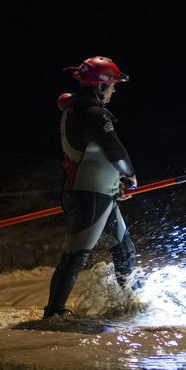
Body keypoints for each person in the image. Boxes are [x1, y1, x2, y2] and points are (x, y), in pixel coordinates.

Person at [42, 56, 139, 319]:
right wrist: (129, 175)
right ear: (99, 86)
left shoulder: (76, 110)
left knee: (124, 249)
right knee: (75, 257)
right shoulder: (93, 114)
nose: (115, 90)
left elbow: (94, 155)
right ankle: (54, 314)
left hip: (99, 193)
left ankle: (135, 302)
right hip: (90, 196)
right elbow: (114, 150)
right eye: (112, 85)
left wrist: (113, 181)